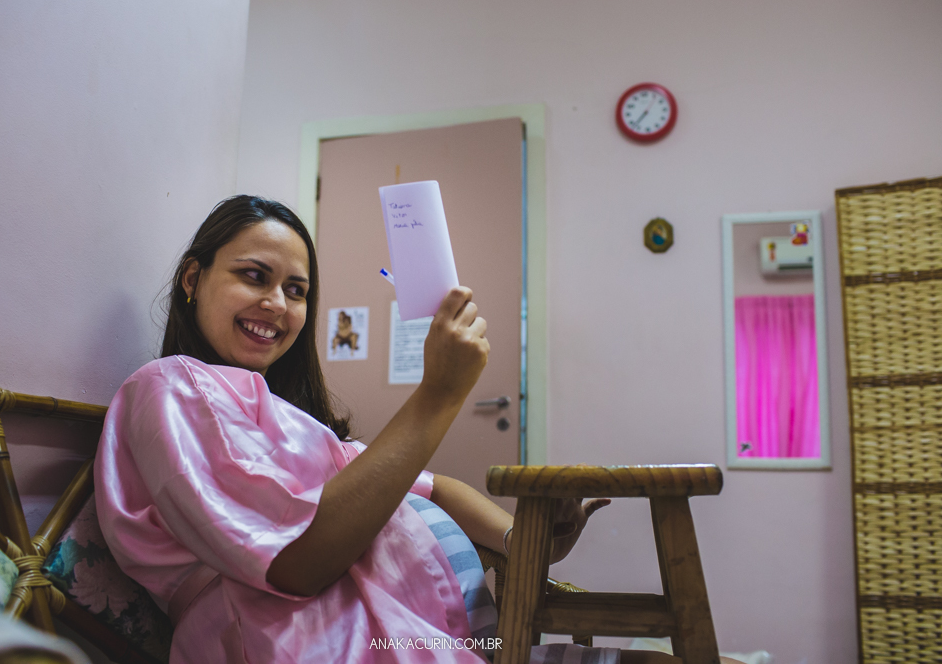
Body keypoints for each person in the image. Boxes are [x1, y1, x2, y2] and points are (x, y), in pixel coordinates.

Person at [94, 196, 688, 664]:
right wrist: (439, 395)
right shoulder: (169, 388)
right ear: (193, 279)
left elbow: (434, 490)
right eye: (255, 276)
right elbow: (294, 562)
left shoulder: (286, 420)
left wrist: (531, 542)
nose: (277, 303)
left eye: (296, 291)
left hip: (434, 638)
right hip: (317, 646)